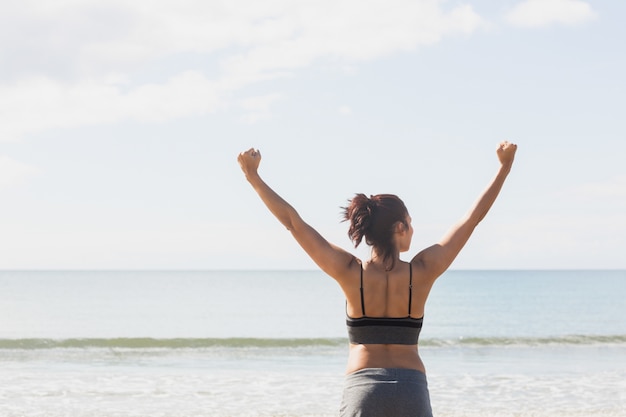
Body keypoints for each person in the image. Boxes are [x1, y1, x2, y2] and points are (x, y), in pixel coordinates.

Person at [237, 141, 517, 417]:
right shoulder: (422, 270)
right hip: (411, 389)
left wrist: (253, 176)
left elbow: (293, 223)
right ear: (399, 227)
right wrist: (504, 168)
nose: (413, 229)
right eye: (410, 222)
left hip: (363, 387)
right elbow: (470, 221)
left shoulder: (349, 271)